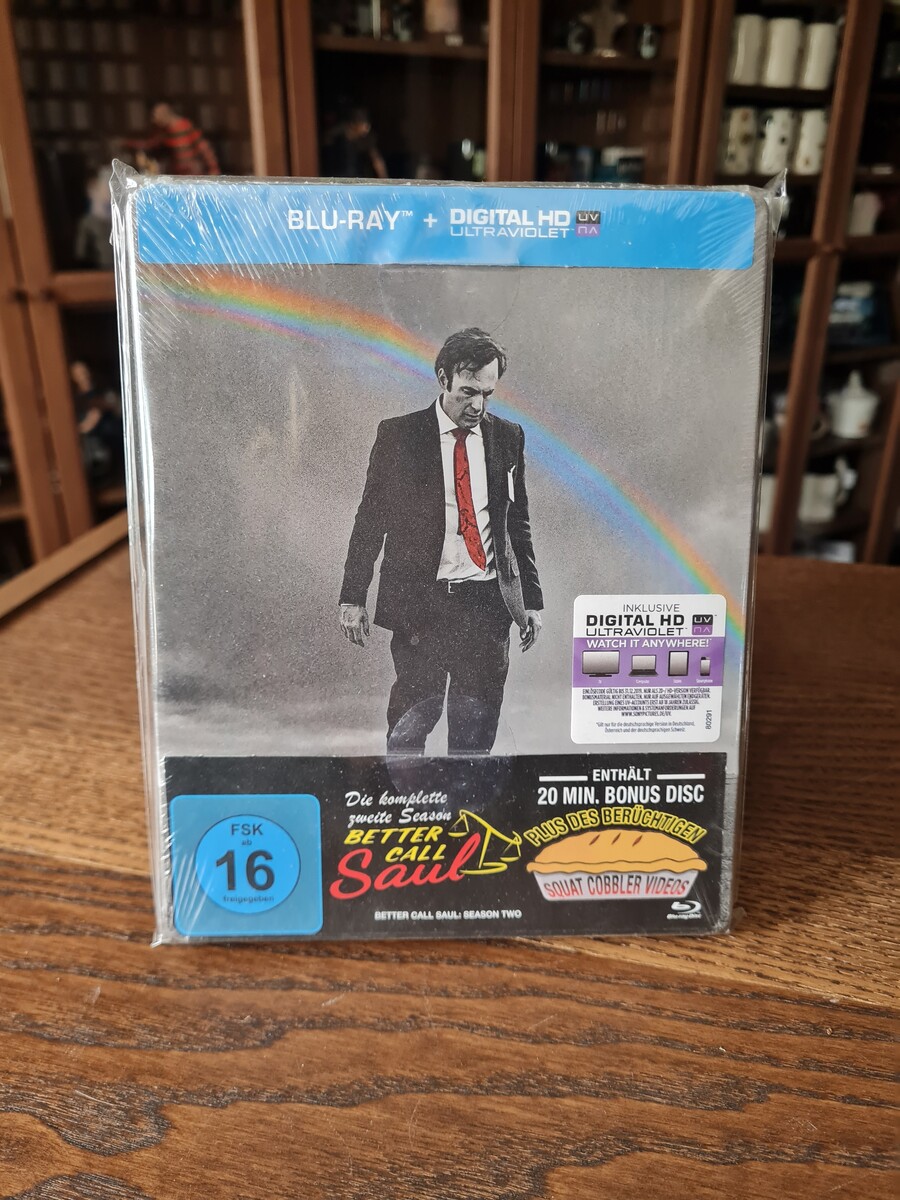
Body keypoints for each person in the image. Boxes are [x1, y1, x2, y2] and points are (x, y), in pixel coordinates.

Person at [339, 328, 543, 754]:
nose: (478, 405)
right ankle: (401, 792)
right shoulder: (399, 436)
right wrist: (352, 597)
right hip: (422, 605)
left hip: (488, 607)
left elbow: (517, 523)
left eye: (487, 394)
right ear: (443, 378)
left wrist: (531, 601)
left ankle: (466, 798)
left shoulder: (508, 437)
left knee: (476, 735)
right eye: (468, 392)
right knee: (411, 724)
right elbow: (370, 521)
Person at [123, 103, 220, 175]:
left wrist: (213, 168)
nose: (154, 120)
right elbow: (150, 143)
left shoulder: (185, 126)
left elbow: (204, 147)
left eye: (156, 116)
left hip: (193, 171)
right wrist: (129, 143)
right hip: (178, 173)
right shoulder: (165, 131)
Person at [321, 107, 388, 179]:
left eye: (367, 124)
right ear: (353, 124)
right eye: (362, 123)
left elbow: (376, 160)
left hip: (358, 177)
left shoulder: (367, 139)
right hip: (337, 176)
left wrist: (385, 179)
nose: (367, 128)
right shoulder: (338, 134)